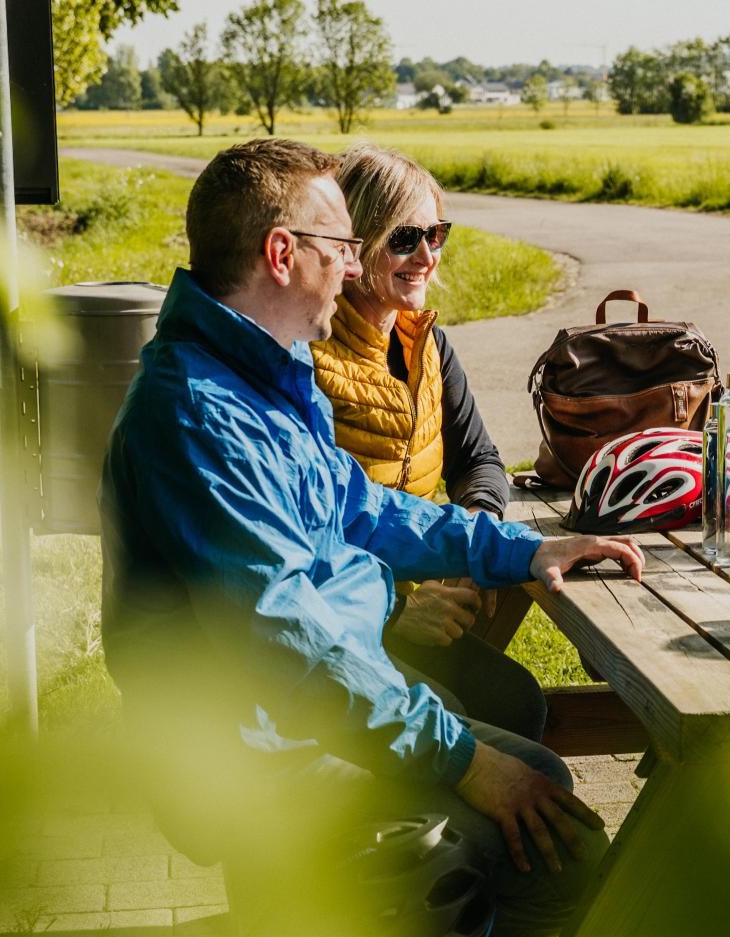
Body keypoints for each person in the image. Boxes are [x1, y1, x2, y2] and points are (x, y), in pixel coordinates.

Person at [98, 138, 638, 935]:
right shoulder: (200, 415)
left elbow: (370, 508)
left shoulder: (262, 377)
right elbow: (289, 640)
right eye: (344, 247)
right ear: (281, 254)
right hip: (258, 746)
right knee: (548, 843)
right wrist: (463, 760)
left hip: (307, 713)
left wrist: (525, 551)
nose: (355, 269)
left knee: (541, 787)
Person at [312, 145, 545, 741]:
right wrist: (398, 609)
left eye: (437, 234)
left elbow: (483, 462)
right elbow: (313, 526)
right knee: (468, 717)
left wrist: (470, 546)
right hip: (345, 617)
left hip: (425, 605)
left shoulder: (428, 347)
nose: (427, 256)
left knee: (518, 702)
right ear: (355, 245)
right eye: (405, 238)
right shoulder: (310, 355)